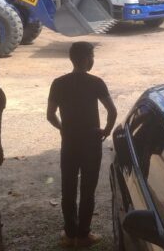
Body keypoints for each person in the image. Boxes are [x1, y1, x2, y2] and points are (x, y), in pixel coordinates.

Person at [47, 42, 117, 248]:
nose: (92, 59)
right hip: (91, 143)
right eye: (92, 55)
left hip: (69, 143)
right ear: (87, 58)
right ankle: (84, 235)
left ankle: (70, 236)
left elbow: (50, 115)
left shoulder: (58, 83)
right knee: (88, 190)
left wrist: (62, 129)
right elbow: (112, 111)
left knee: (68, 189)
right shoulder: (96, 82)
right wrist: (106, 131)